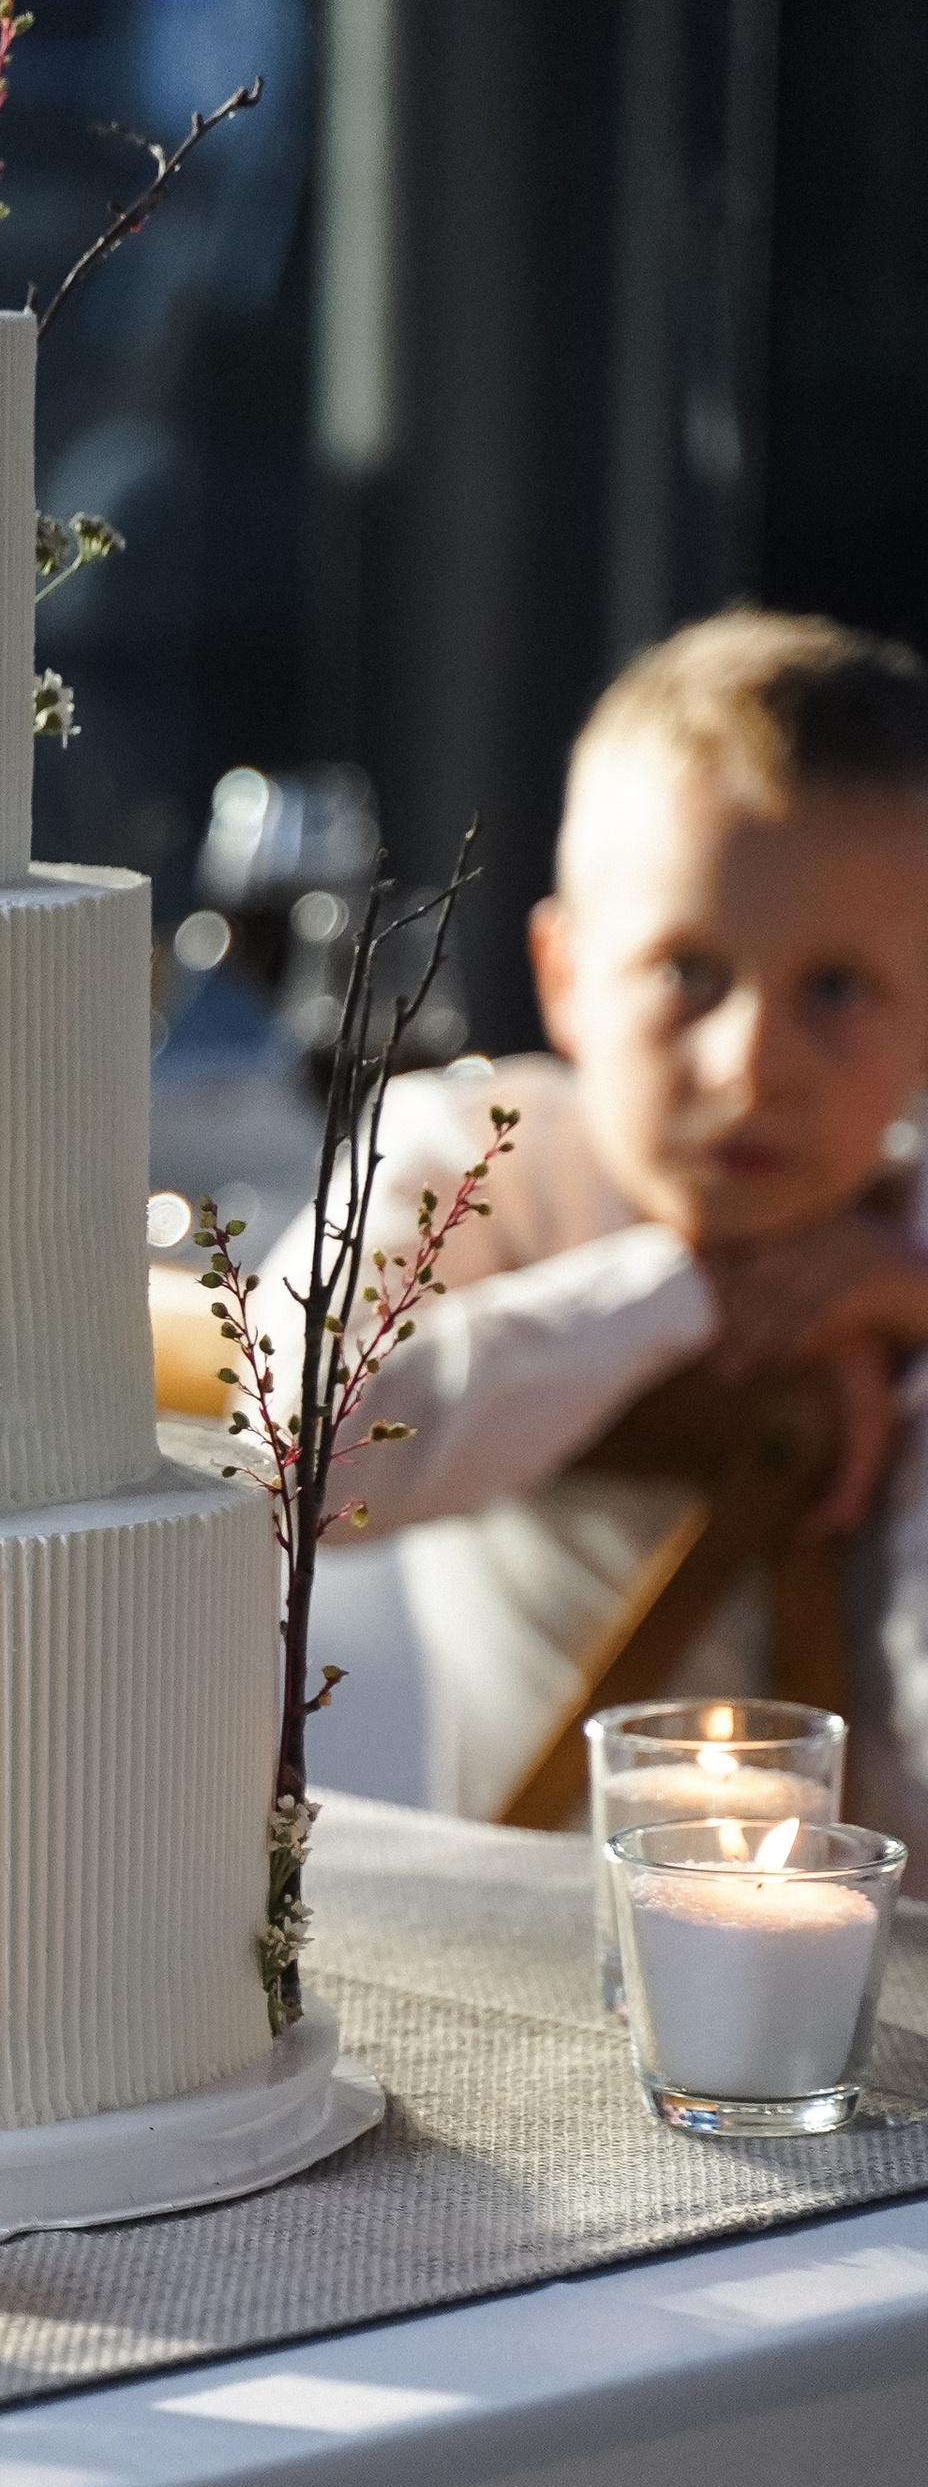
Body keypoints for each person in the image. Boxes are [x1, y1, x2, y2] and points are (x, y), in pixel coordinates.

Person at [194, 614, 928, 1846]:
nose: (752, 1066)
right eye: (688, 971)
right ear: (566, 972)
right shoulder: (483, 1154)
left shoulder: (905, 1223)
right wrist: (673, 1292)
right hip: (544, 1938)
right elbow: (274, 1439)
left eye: (837, 990)